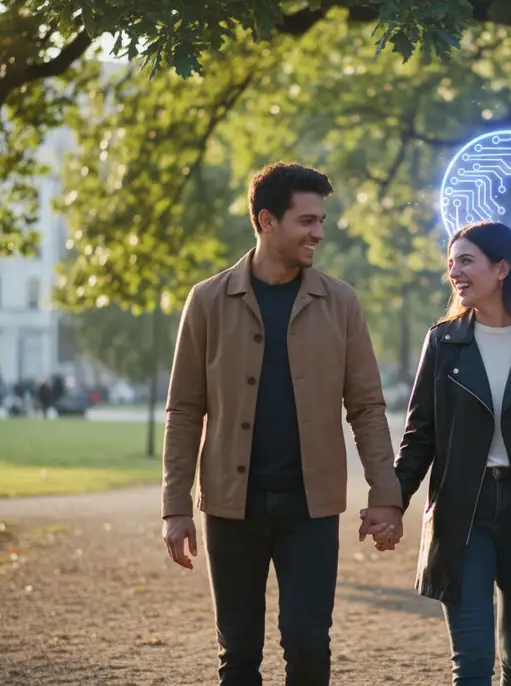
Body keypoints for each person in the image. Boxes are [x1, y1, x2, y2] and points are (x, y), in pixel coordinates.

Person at [160, 162, 404, 686]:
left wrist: (386, 494)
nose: (319, 232)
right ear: (266, 220)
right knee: (239, 655)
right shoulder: (206, 301)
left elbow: (366, 407)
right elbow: (183, 409)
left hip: (309, 510)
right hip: (230, 506)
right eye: (307, 221)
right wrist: (175, 506)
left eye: (321, 220)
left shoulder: (341, 303)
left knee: (309, 648)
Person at [376, 220, 511, 685]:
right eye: (451, 263)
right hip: (463, 514)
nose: (454, 271)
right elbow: (419, 438)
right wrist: (391, 503)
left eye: (466, 261)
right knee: (472, 663)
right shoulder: (443, 341)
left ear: (502, 268)